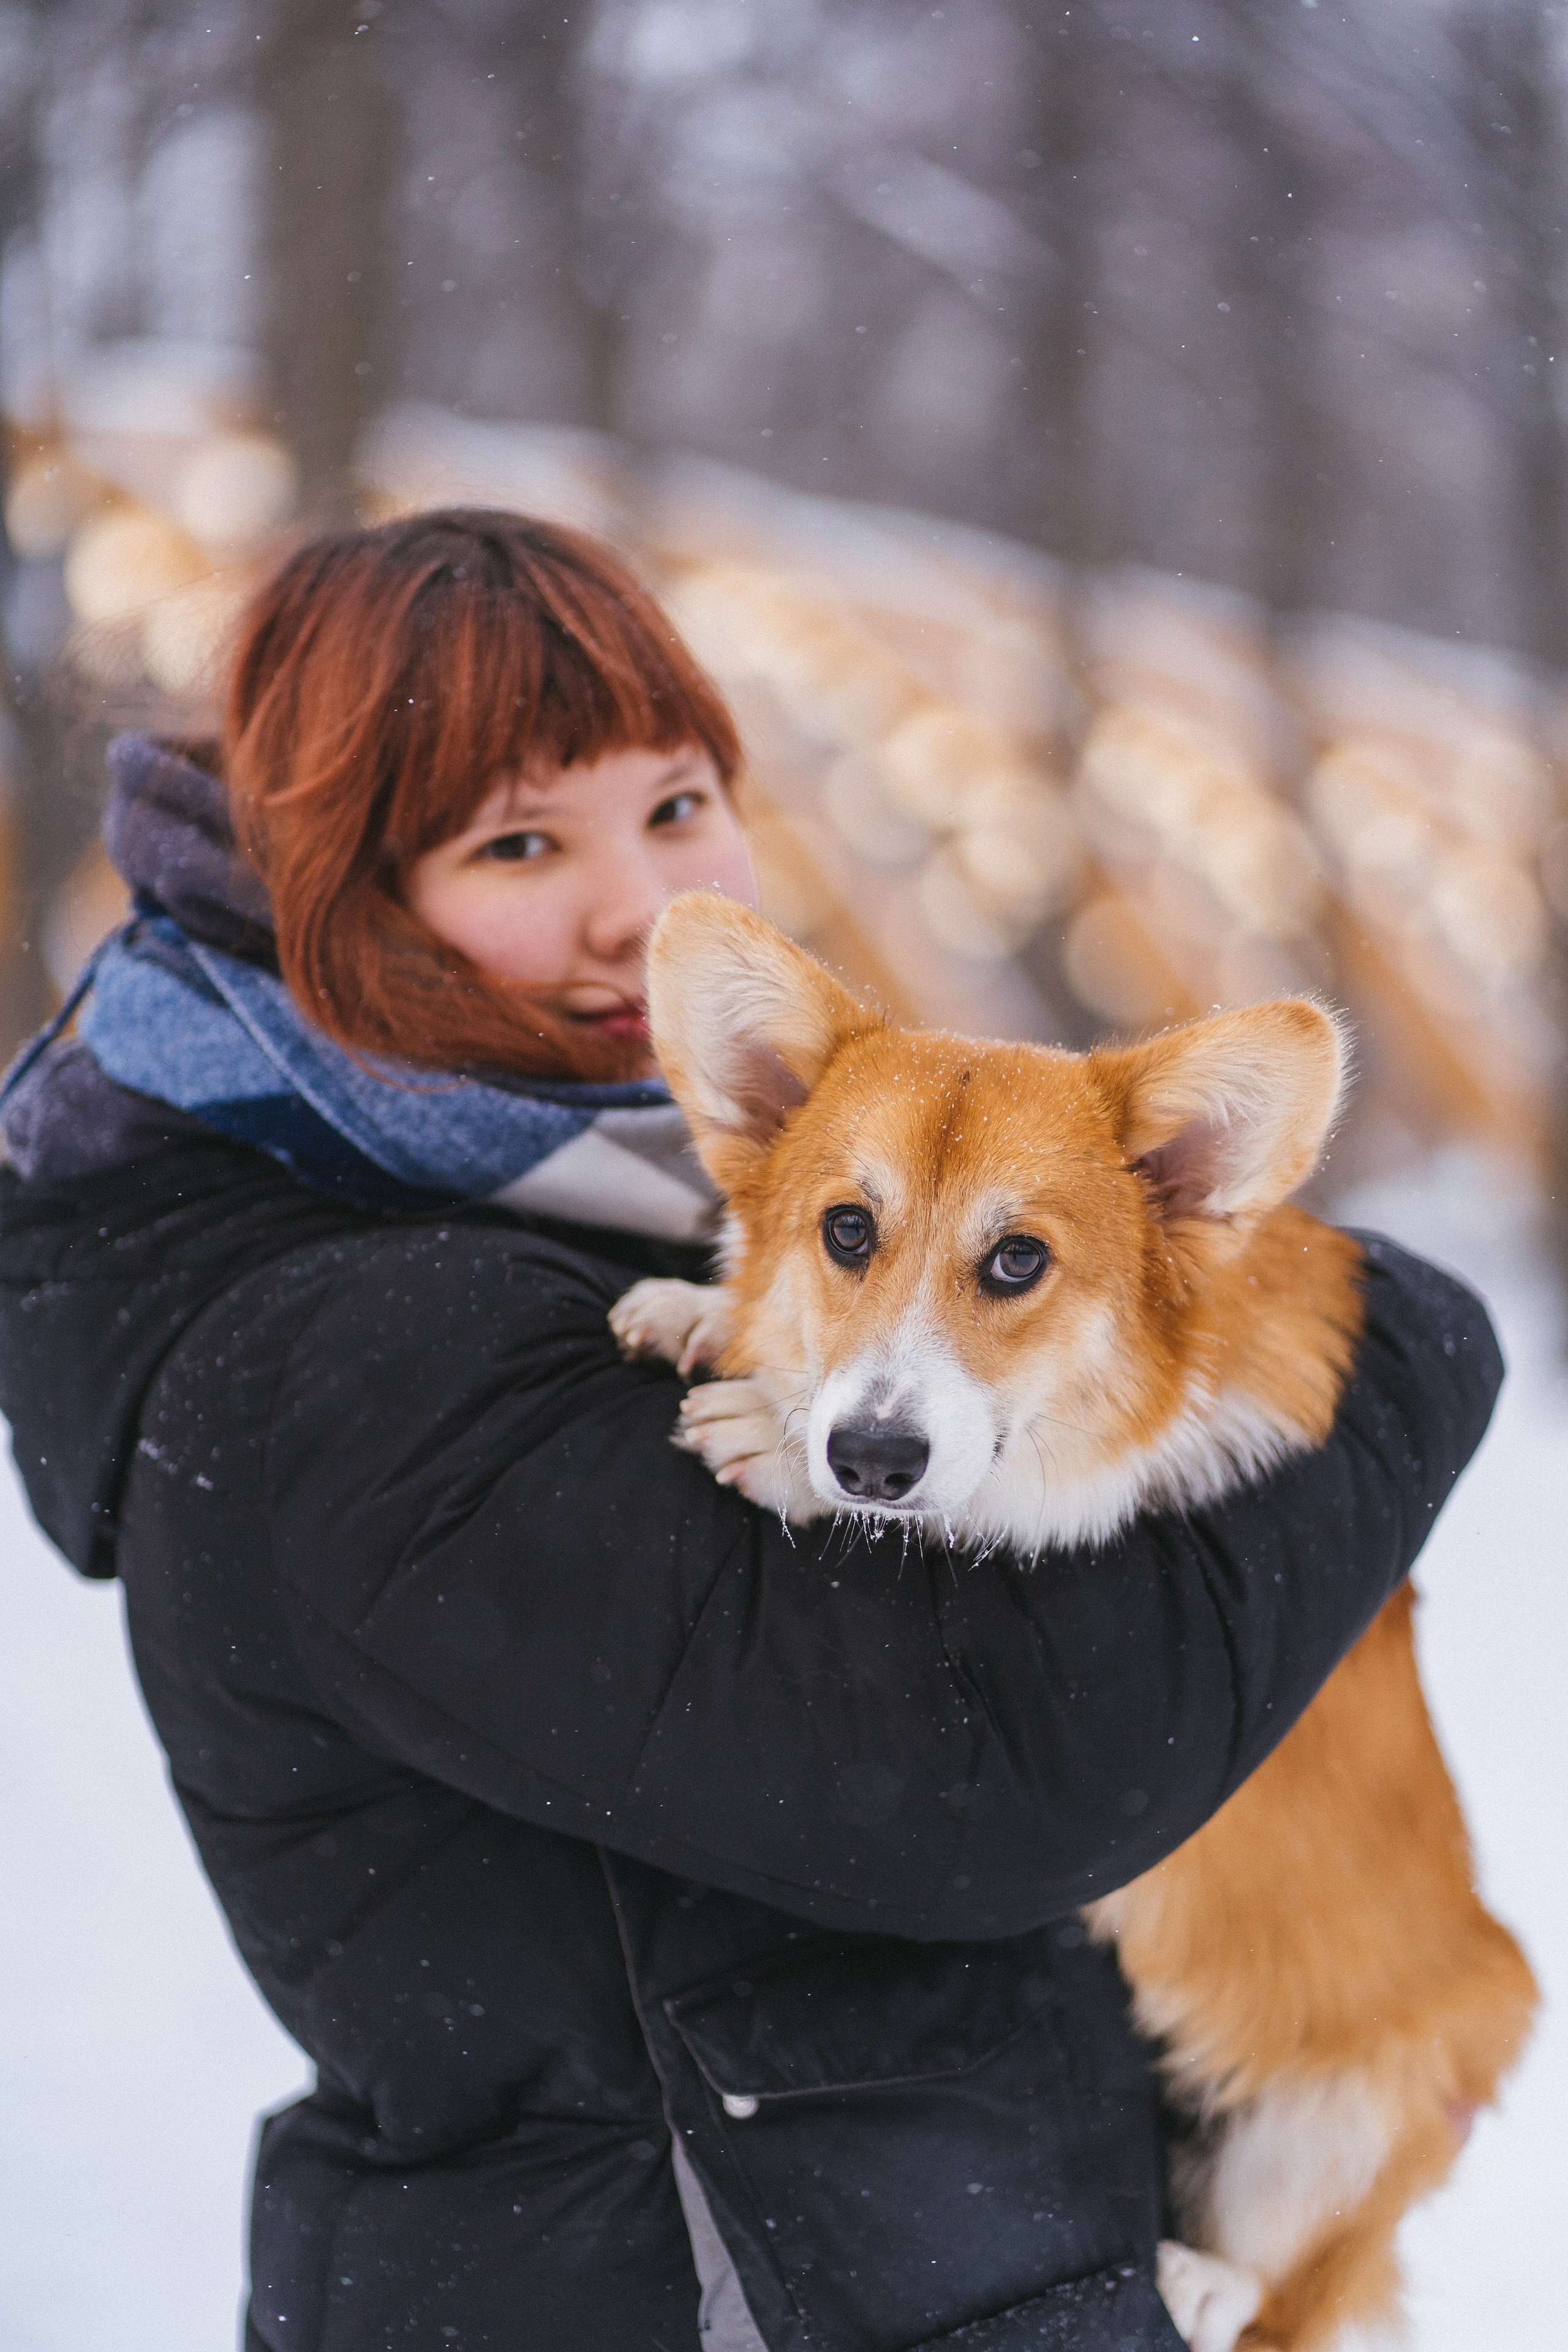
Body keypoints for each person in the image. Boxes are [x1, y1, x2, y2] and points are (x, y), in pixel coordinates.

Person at [0, 510, 1501, 2352]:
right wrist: (1418, 1350)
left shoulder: (589, 1201)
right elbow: (990, 1773)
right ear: (337, 894)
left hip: (924, 2256)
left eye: (682, 800)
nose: (638, 905)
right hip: (672, 2290)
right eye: (520, 843)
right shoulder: (341, 1344)